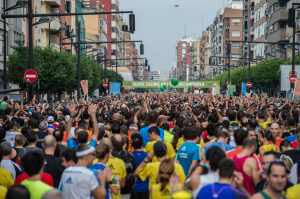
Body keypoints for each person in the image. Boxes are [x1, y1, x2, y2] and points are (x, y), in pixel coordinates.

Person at [111, 134, 135, 199]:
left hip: (114, 192)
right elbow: (134, 173)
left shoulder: (111, 156)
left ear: (112, 144)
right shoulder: (129, 155)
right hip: (128, 191)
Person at [130, 133, 149, 199]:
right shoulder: (148, 156)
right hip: (146, 187)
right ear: (142, 143)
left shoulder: (129, 155)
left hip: (133, 188)